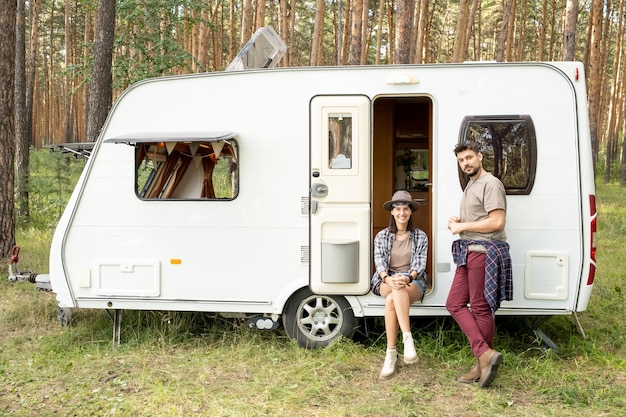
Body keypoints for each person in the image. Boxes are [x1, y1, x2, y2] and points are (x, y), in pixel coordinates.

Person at [446, 141, 513, 388]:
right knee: (454, 303)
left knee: (481, 308)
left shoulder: (490, 183)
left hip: (484, 252)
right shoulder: (472, 184)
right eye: (461, 160)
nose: (466, 163)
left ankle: (481, 360)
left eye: (469, 158)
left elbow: (497, 222)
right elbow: (480, 217)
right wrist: (461, 219)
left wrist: (462, 227)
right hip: (469, 251)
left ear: (480, 157)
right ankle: (484, 355)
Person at [371, 190, 428, 380]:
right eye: (398, 209)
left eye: (405, 209)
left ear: (411, 212)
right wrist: (389, 278)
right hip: (386, 280)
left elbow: (419, 266)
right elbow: (379, 265)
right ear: (392, 213)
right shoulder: (382, 236)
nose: (402, 213)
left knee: (391, 301)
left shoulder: (420, 236)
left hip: (411, 281)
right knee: (395, 287)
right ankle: (407, 338)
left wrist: (408, 278)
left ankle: (391, 353)